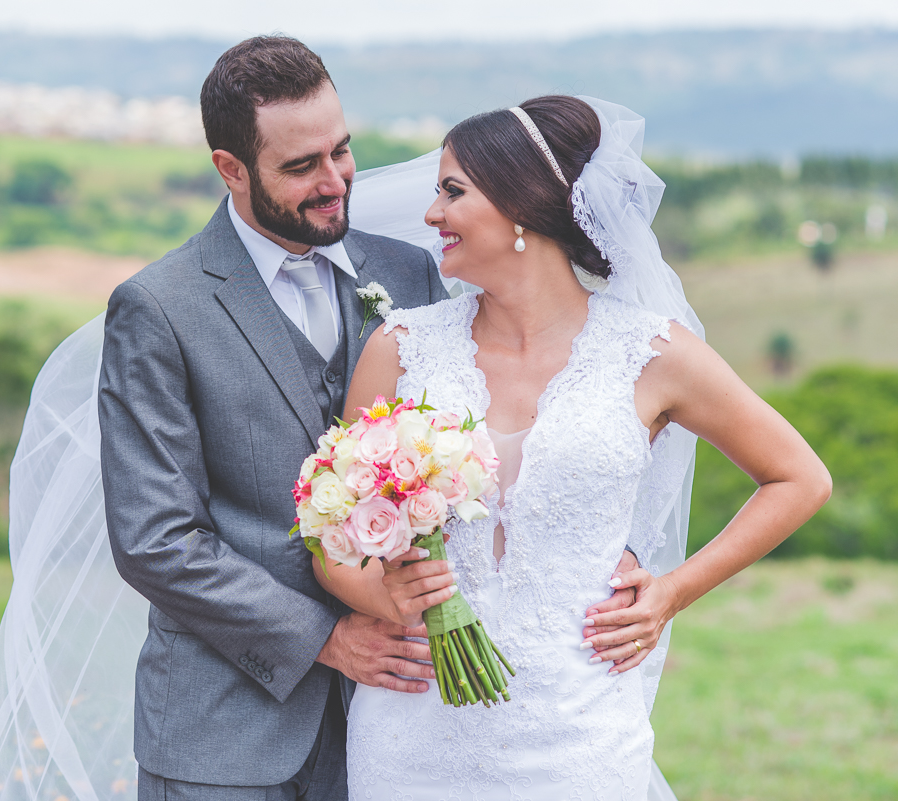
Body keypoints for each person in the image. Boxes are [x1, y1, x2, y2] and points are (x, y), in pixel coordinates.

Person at [0, 38, 640, 801]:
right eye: (300, 167)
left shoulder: (409, 271)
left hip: (396, 726)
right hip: (223, 736)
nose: (334, 182)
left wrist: (584, 551)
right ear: (231, 169)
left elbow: (493, 434)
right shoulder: (158, 310)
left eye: (341, 152)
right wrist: (323, 636)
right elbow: (156, 540)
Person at [317, 95, 833, 800]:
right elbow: (332, 543)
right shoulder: (400, 348)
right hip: (412, 734)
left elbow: (800, 478)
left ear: (521, 203)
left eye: (452, 191)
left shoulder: (652, 353)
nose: (431, 213)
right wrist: (379, 591)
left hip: (579, 736)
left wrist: (670, 593)